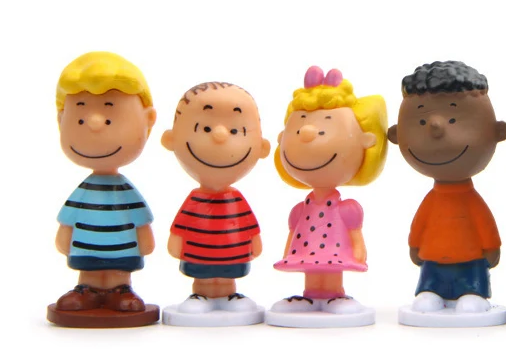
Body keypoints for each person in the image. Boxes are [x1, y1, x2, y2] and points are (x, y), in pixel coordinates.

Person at [388, 61, 506, 321]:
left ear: (497, 131)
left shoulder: (471, 201)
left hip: (471, 261)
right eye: (421, 121)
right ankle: (431, 292)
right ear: (396, 135)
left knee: (471, 295)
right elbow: (420, 223)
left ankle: (474, 293)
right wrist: (415, 245)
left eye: (454, 120)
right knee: (428, 297)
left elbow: (484, 223)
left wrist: (491, 247)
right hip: (432, 260)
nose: (436, 127)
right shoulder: (432, 201)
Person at [269, 66, 387, 326]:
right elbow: (292, 232)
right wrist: (288, 253)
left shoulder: (347, 209)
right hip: (305, 252)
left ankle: (335, 294)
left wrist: (359, 252)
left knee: (331, 271)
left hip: (337, 252)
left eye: (324, 129)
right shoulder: (300, 209)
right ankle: (311, 296)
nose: (307, 133)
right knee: (312, 271)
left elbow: (355, 233)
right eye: (298, 126)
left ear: (366, 141)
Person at [50, 51, 158, 327]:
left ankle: (121, 289)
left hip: (123, 252)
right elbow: (68, 219)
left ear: (148, 120)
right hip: (85, 250)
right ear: (62, 120)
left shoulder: (125, 191)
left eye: (110, 118)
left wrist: (145, 240)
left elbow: (140, 219)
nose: (95, 124)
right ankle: (85, 289)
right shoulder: (84, 191)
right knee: (88, 270)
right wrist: (64, 238)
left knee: (119, 271)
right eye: (80, 119)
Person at [161, 81, 271, 325]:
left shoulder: (235, 199)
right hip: (198, 254)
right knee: (202, 273)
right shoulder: (195, 200)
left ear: (262, 147)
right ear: (171, 139)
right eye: (205, 128)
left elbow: (249, 225)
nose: (220, 136)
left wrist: (254, 242)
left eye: (236, 131)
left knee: (228, 273)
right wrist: (176, 242)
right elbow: (181, 225)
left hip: (233, 254)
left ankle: (229, 294)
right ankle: (200, 294)